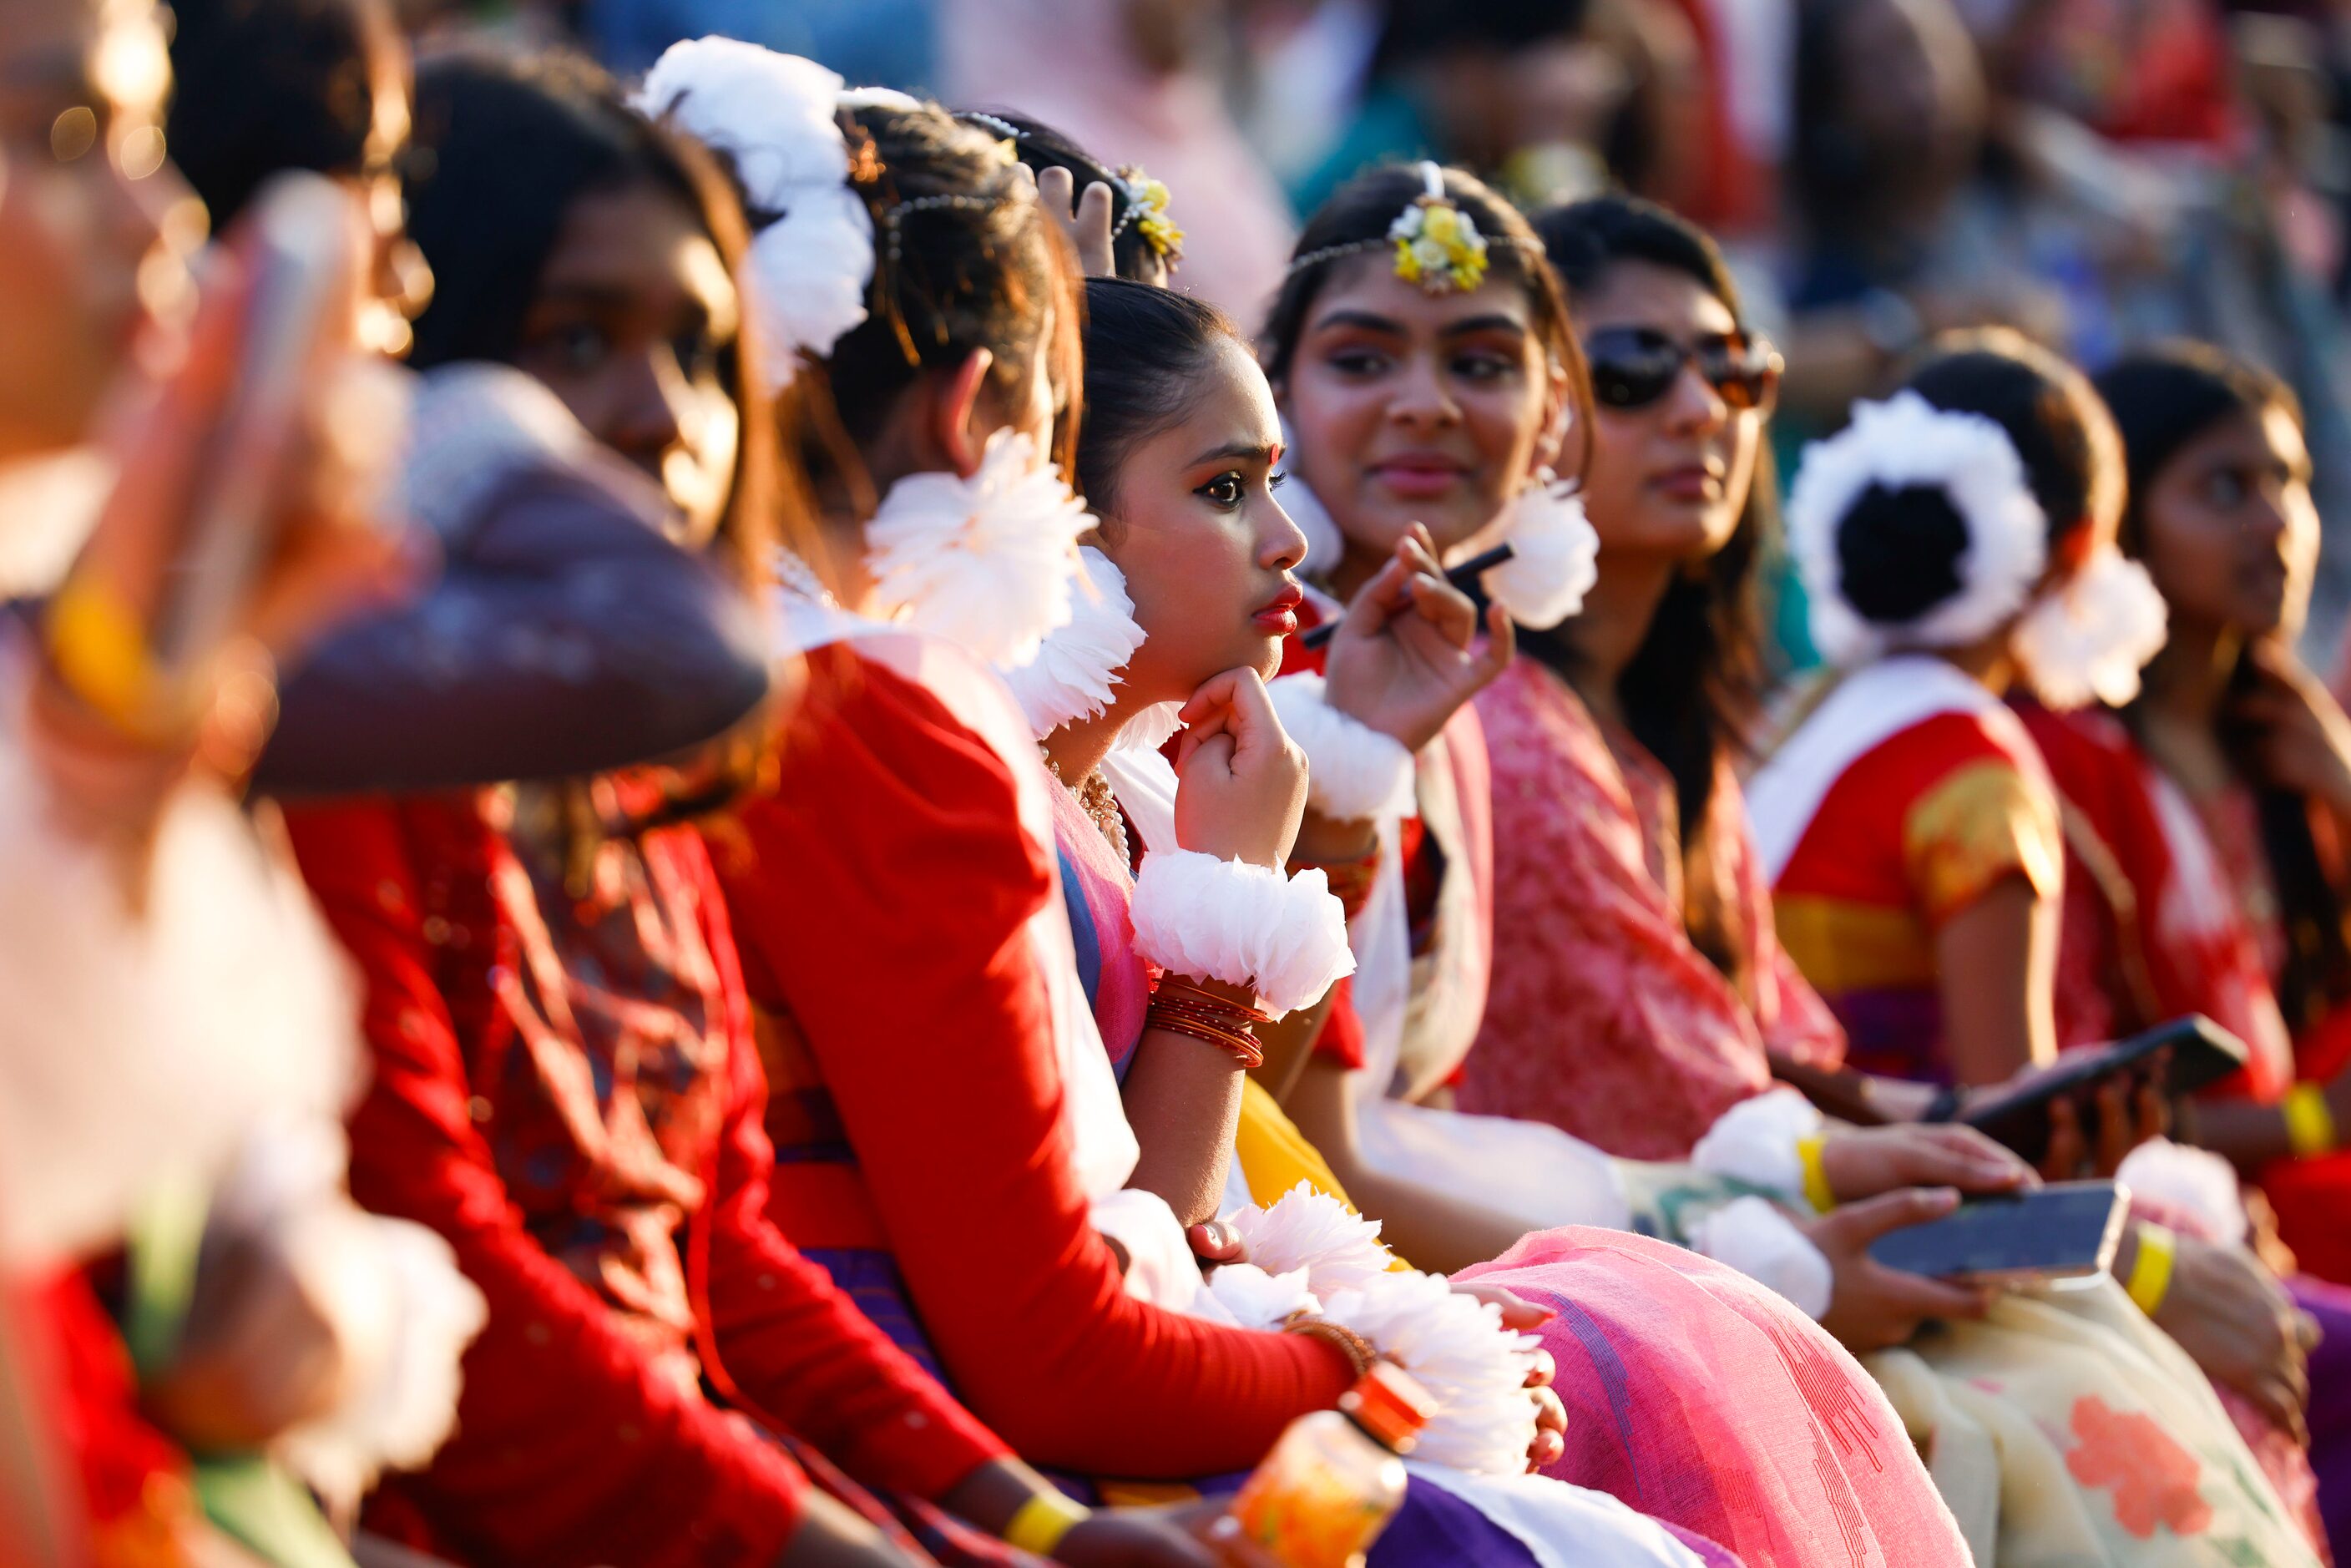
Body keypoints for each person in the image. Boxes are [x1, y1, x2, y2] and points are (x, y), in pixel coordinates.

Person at [281, 53, 1208, 1568]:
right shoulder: (332, 747)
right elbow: (468, 1284)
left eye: (707, 350)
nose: (664, 414)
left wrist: (1022, 1522)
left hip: (710, 1464)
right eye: (578, 337)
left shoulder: (648, 761)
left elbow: (724, 1249)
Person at [1040, 269, 1984, 1568]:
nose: (1424, 409)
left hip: (1277, 1303)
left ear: (1552, 425)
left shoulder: (1416, 709)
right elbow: (1279, 1161)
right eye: (1367, 359)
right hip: (1178, 1365)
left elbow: (1273, 1127)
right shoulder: (1123, 758)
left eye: (1478, 362)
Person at [0, 0, 480, 1560]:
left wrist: (306, 1296)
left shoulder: (103, 634)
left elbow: (269, 1192)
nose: (164, 217)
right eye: (63, 139)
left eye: (145, 142)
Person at [1750, 325, 2323, 1563]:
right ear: (2077, 553)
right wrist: (2169, 1269)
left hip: (1814, 1186)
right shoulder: (1975, 766)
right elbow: (2013, 1136)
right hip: (1917, 1226)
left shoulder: (1819, 711)